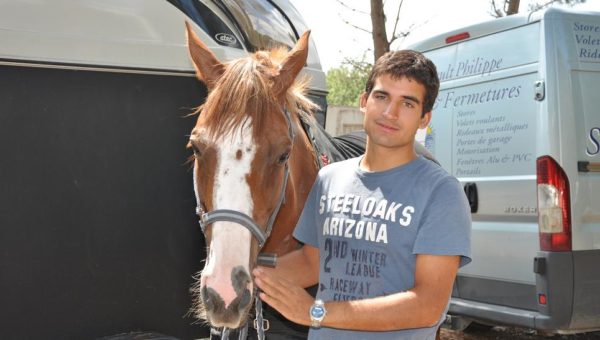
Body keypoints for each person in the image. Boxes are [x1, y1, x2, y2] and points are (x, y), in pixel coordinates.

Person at [253, 49, 471, 339]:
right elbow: (312, 263)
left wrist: (315, 312)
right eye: (382, 97)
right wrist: (244, 274)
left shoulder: (441, 192)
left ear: (424, 118)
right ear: (364, 101)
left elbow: (428, 304)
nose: (390, 113)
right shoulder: (329, 178)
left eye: (407, 103)